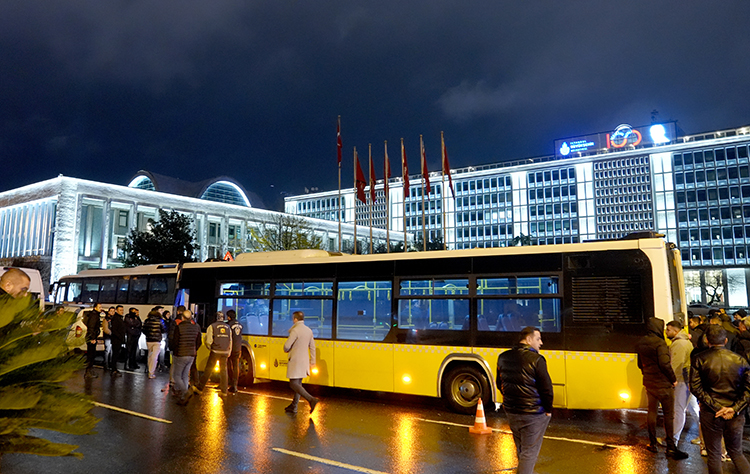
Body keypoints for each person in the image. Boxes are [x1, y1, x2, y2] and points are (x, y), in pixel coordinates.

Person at [690, 325, 750, 474]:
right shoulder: (740, 360)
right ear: (725, 340)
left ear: (706, 340)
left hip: (711, 414)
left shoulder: (699, 359)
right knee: (736, 452)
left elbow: (695, 388)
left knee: (714, 454)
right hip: (735, 414)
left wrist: (717, 407)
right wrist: (734, 409)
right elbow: (748, 389)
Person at [496, 326, 553, 474]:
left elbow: (499, 383)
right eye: (538, 339)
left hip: (512, 411)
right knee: (529, 452)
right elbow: (546, 389)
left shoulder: (503, 357)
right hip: (533, 414)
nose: (541, 343)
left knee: (521, 448)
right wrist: (547, 410)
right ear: (528, 339)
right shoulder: (537, 360)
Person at [634, 317, 688, 459]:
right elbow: (665, 364)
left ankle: (652, 444)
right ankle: (671, 447)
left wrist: (647, 375)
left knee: (652, 412)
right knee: (668, 415)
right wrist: (673, 379)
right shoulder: (660, 344)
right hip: (664, 384)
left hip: (649, 383)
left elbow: (640, 364)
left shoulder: (640, 342)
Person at [665, 320, 699, 449]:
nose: (666, 332)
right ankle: (704, 436)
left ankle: (673, 439)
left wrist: (673, 380)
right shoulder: (685, 342)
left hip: (681, 381)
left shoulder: (678, 344)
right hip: (688, 380)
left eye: (668, 330)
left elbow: (676, 365)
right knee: (694, 409)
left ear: (675, 330)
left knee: (679, 410)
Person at [283, 311, 319, 414]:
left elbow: (286, 346)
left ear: (295, 319)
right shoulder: (308, 330)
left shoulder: (295, 331)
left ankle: (311, 399)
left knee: (293, 384)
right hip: (304, 361)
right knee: (298, 384)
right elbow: (312, 347)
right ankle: (294, 406)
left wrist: (286, 349)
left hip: (295, 360)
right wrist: (313, 362)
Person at [194, 312, 232, 397]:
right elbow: (230, 340)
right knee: (224, 370)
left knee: (208, 370)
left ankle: (200, 388)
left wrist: (210, 348)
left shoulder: (212, 326)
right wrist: (229, 351)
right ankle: (224, 391)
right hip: (225, 352)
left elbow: (209, 341)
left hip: (215, 351)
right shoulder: (228, 327)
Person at [169, 309, 201, 406]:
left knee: (177, 376)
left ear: (182, 317)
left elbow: (175, 341)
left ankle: (186, 392)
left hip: (181, 354)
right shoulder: (196, 327)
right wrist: (194, 350)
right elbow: (199, 342)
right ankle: (183, 396)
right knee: (185, 375)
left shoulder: (179, 327)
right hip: (191, 354)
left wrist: (174, 351)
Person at [143, 310, 166, 379]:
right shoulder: (160, 321)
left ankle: (149, 370)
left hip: (149, 340)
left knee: (150, 355)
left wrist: (148, 335)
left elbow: (144, 329)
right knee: (154, 356)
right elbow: (164, 329)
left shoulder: (147, 321)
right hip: (157, 340)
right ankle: (151, 372)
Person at [83, 303, 103, 379]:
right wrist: (92, 338)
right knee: (91, 355)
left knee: (92, 355)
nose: (101, 308)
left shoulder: (95, 315)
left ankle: (90, 370)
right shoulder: (94, 316)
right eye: (99, 307)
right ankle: (88, 371)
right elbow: (91, 327)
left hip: (92, 337)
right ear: (95, 308)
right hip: (91, 338)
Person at [226, 309, 244, 393]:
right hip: (238, 348)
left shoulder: (229, 325)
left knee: (229, 366)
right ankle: (235, 385)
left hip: (231, 348)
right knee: (236, 366)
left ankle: (230, 383)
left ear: (229, 317)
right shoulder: (240, 324)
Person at [108, 305, 126, 376]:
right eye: (120, 310)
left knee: (116, 354)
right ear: (116, 311)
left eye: (122, 310)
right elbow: (114, 330)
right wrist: (120, 337)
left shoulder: (120, 318)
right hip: (116, 339)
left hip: (119, 339)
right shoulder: (115, 319)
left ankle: (114, 368)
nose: (122, 311)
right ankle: (113, 369)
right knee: (115, 354)